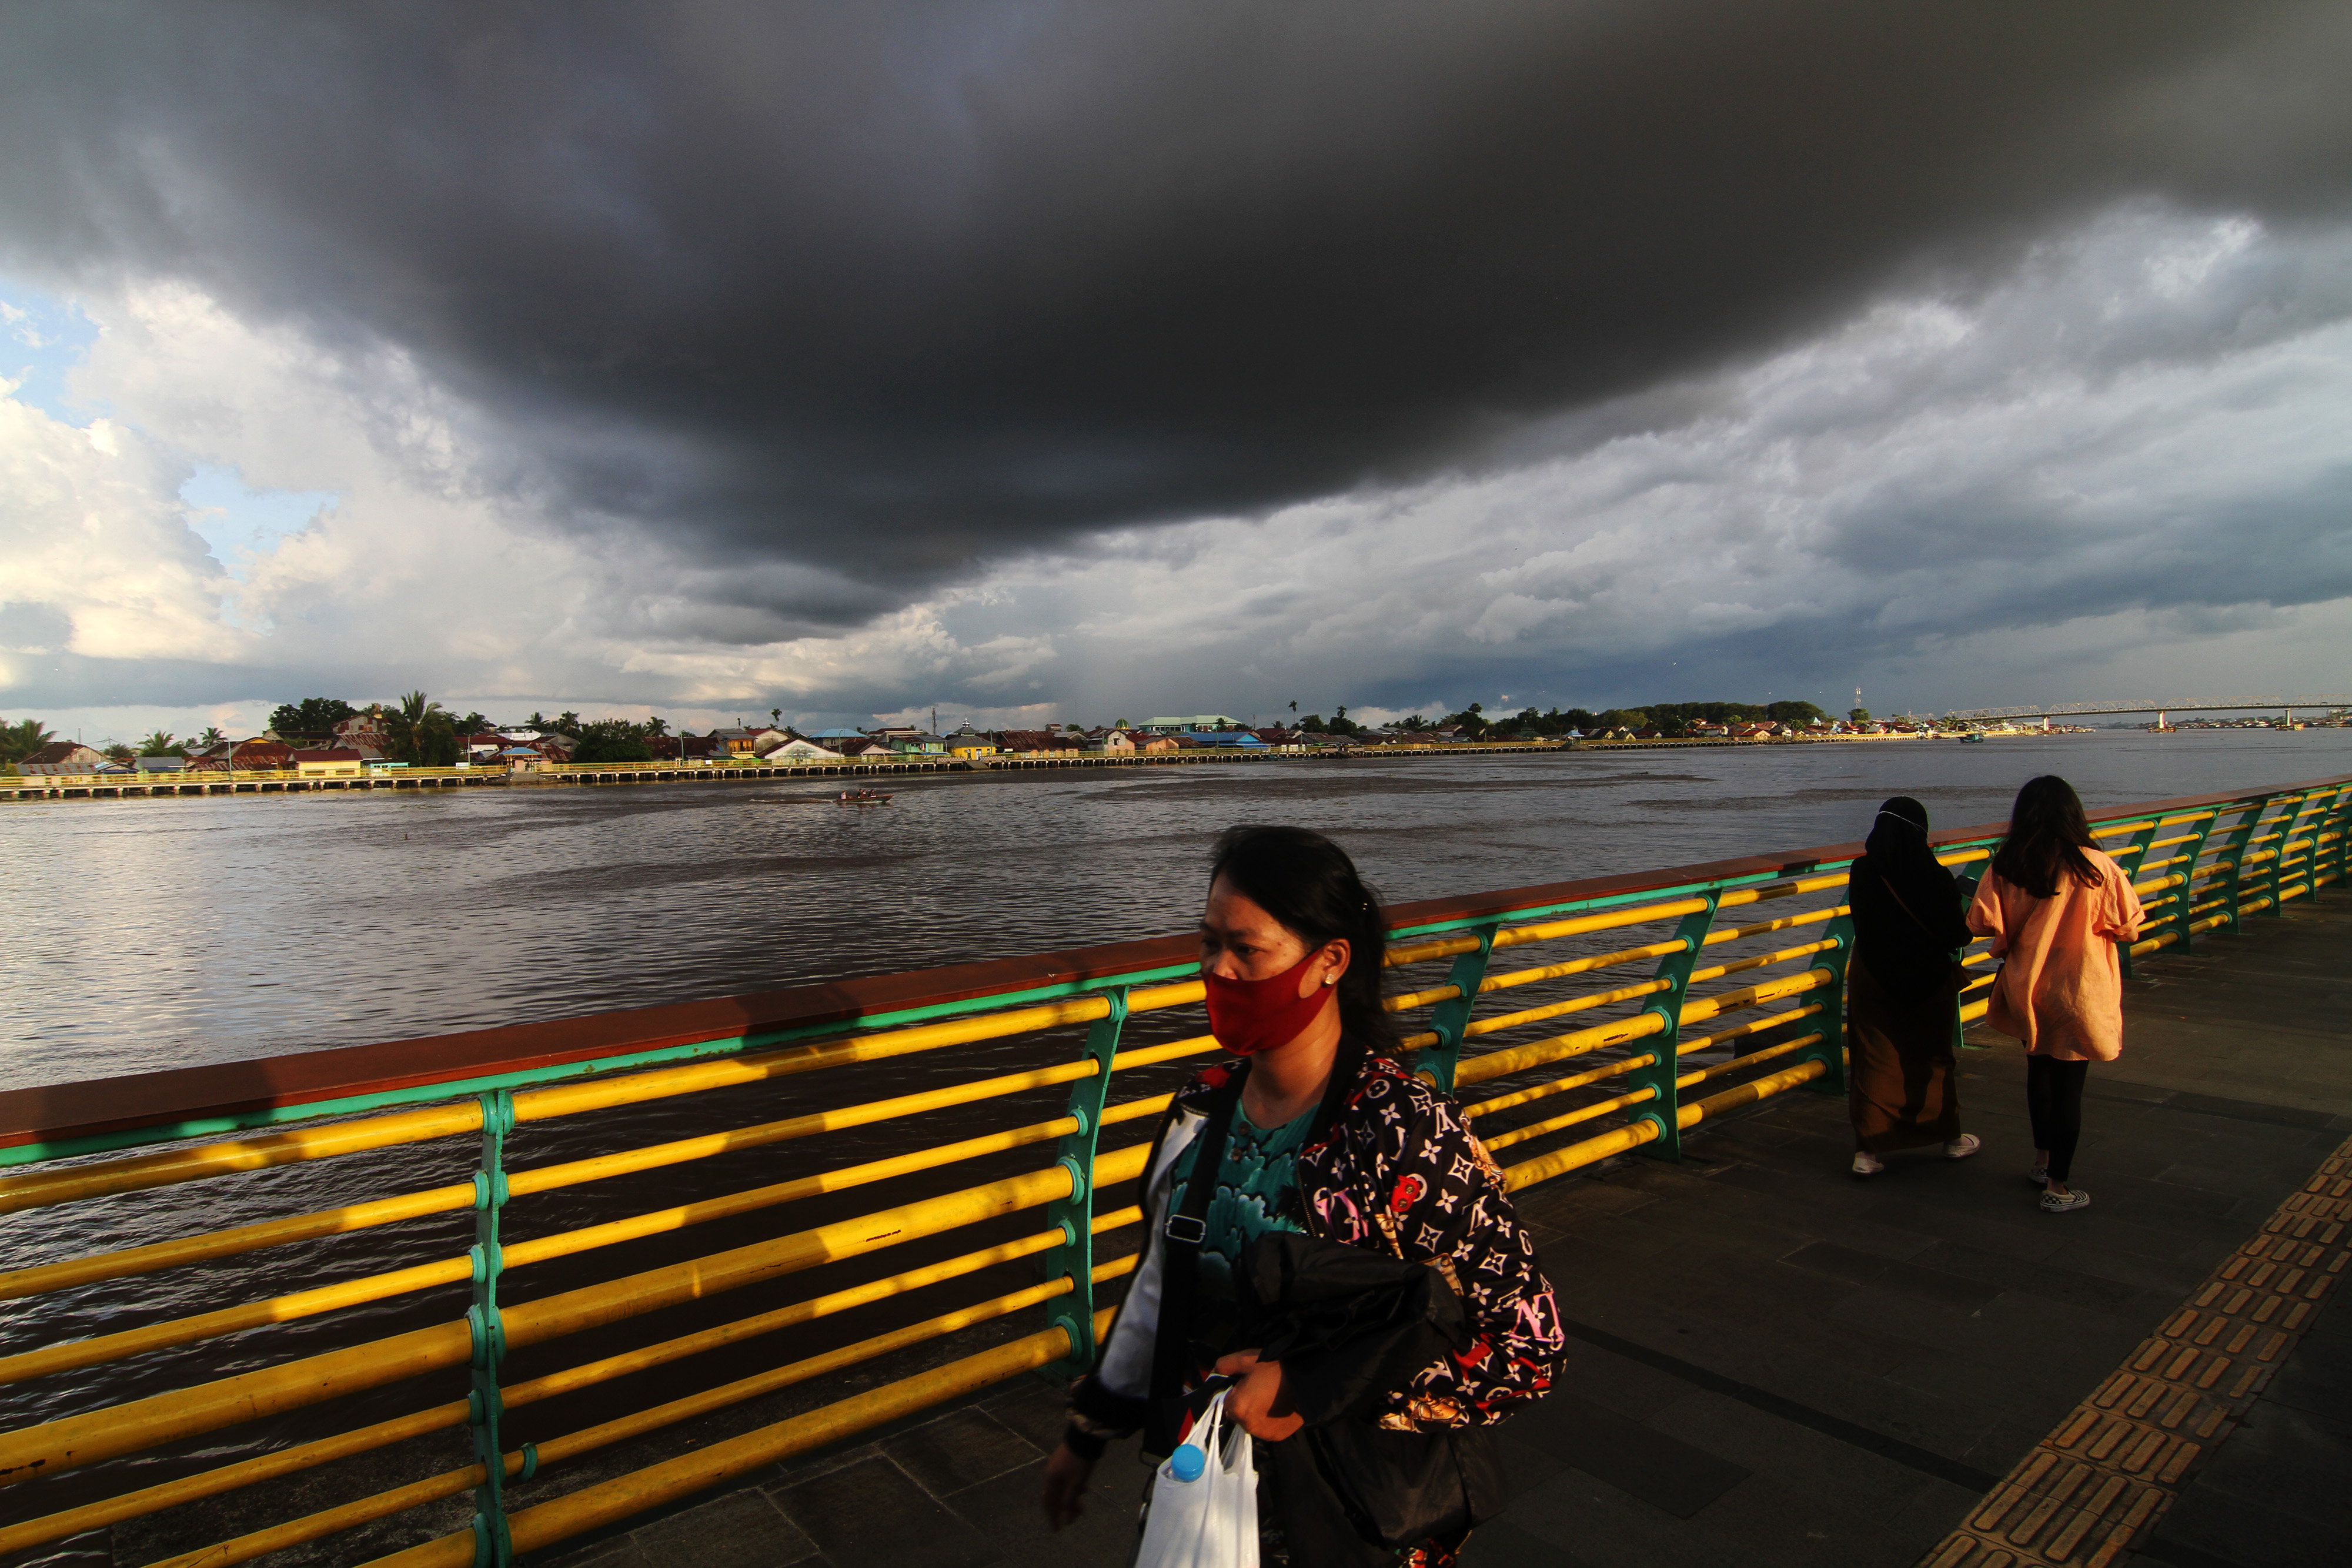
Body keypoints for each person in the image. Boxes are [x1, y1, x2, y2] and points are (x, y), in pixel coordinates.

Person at [1039, 825, 1562, 1566]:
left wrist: (1310, 1387)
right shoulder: (1201, 1108)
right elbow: (1162, 1281)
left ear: (1329, 962)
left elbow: (1527, 1348)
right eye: (1207, 941)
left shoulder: (1403, 1133)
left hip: (1350, 1514)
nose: (1217, 969)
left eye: (1246, 949)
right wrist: (1088, 1431)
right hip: (1201, 1496)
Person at [1966, 776, 2144, 1213]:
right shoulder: (2097, 866)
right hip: (2079, 988)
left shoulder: (2008, 863)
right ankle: (2059, 1189)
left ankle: (2042, 1161)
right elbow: (2128, 926)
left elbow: (1980, 923)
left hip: (2029, 987)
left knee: (2039, 1074)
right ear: (2074, 814)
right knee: (2069, 1087)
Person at [1844, 797, 1980, 1176]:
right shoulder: (1935, 875)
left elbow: (1863, 922)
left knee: (1874, 1058)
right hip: (1928, 976)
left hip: (1873, 975)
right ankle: (1950, 1138)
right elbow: (1958, 935)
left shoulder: (1863, 870)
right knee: (1933, 1056)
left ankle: (1867, 1153)